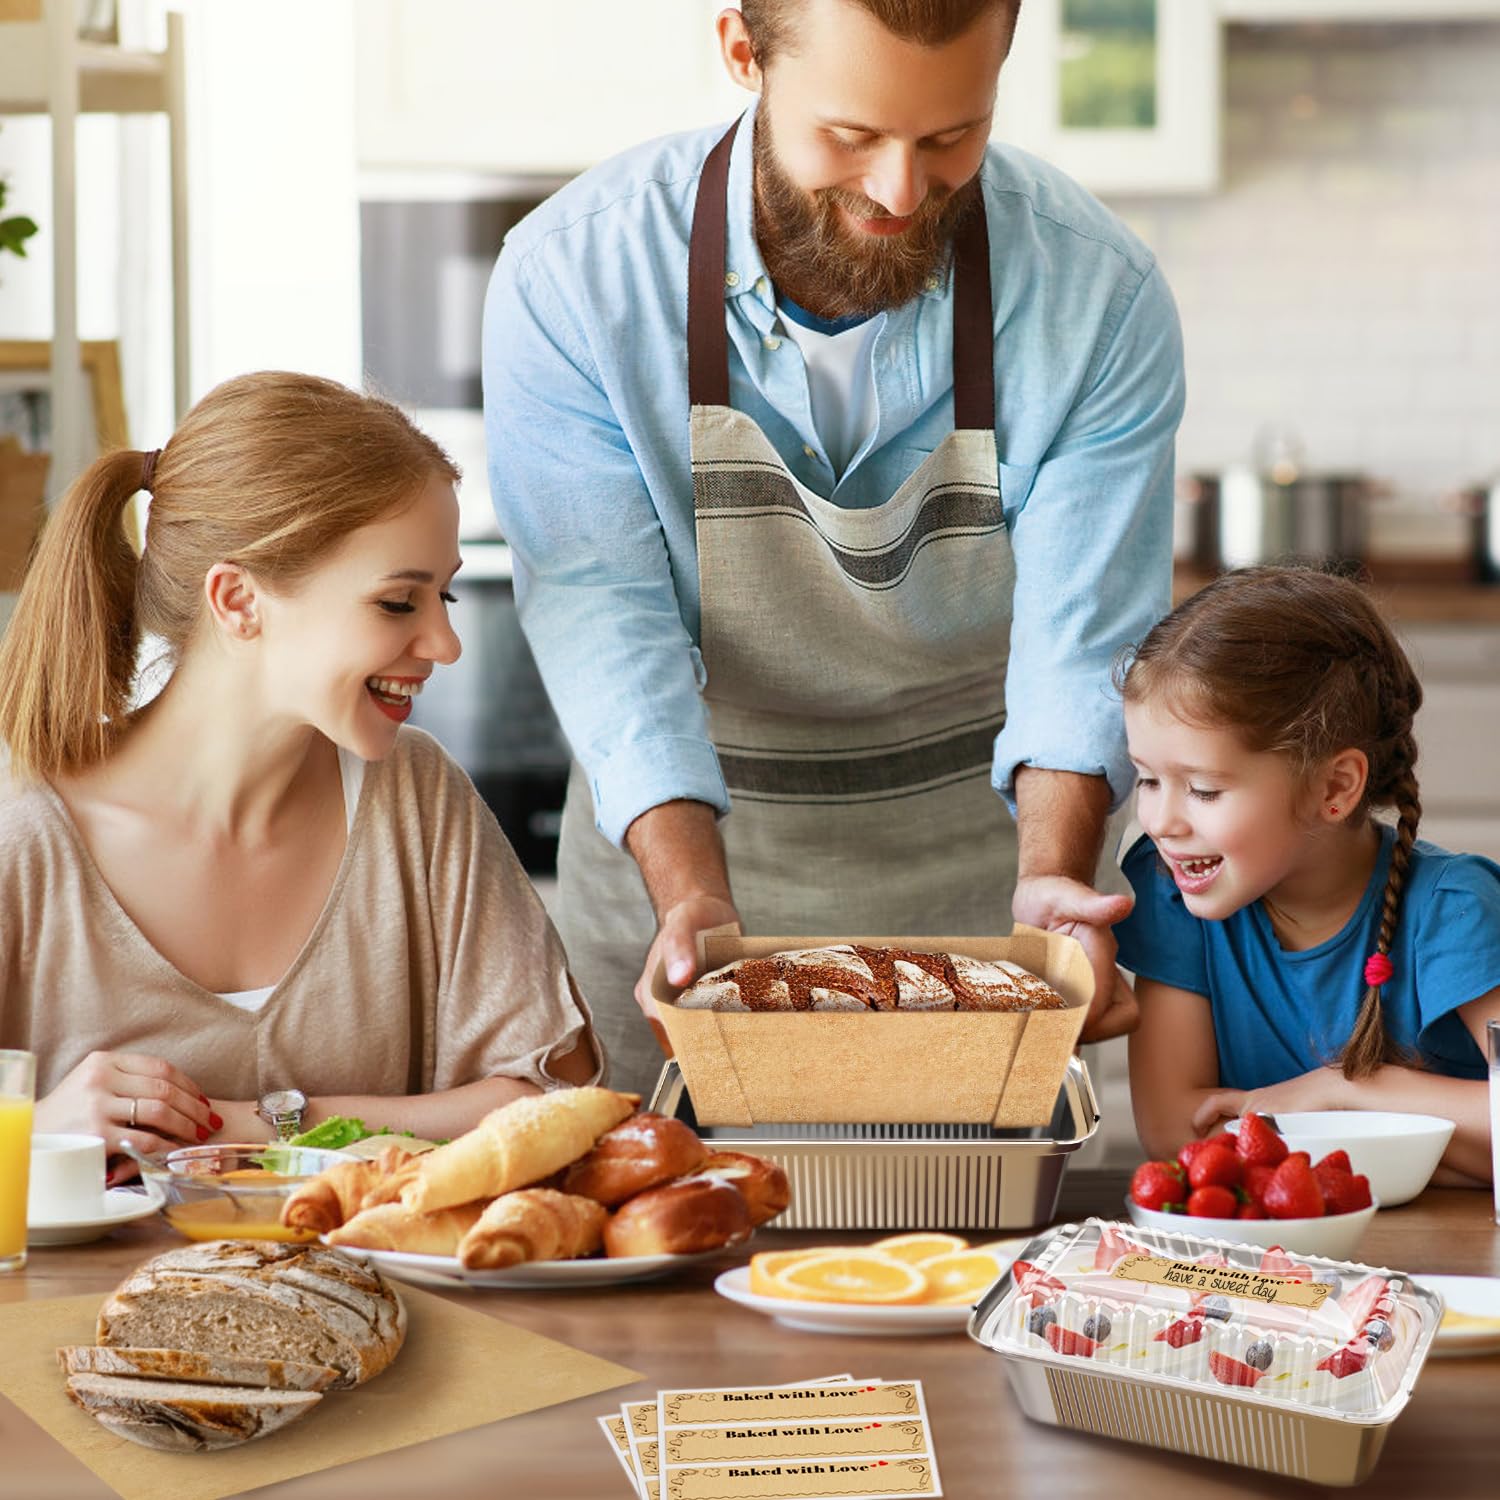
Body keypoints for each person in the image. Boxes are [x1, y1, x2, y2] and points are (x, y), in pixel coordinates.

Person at [483, 0, 1184, 1093]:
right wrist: (693, 904)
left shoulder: (1098, 293)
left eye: (952, 136)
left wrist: (1054, 878)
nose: (902, 191)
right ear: (741, 52)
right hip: (689, 902)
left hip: (981, 918)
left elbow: (1081, 639)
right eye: (851, 137)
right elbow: (605, 620)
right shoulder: (576, 278)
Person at [0, 371, 600, 1170]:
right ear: (239, 601)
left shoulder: (414, 797)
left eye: (445, 600)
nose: (446, 646)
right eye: (398, 603)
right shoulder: (24, 825)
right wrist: (37, 1126)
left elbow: (552, 1104)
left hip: (387, 1295)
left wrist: (268, 1122)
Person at [1113, 565, 1500, 1184]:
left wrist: (1344, 1091)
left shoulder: (1456, 911)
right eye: (1149, 780)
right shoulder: (1171, 893)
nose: (1160, 820)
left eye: (1205, 790)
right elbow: (1176, 1134)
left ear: (1334, 787)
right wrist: (1439, 1140)